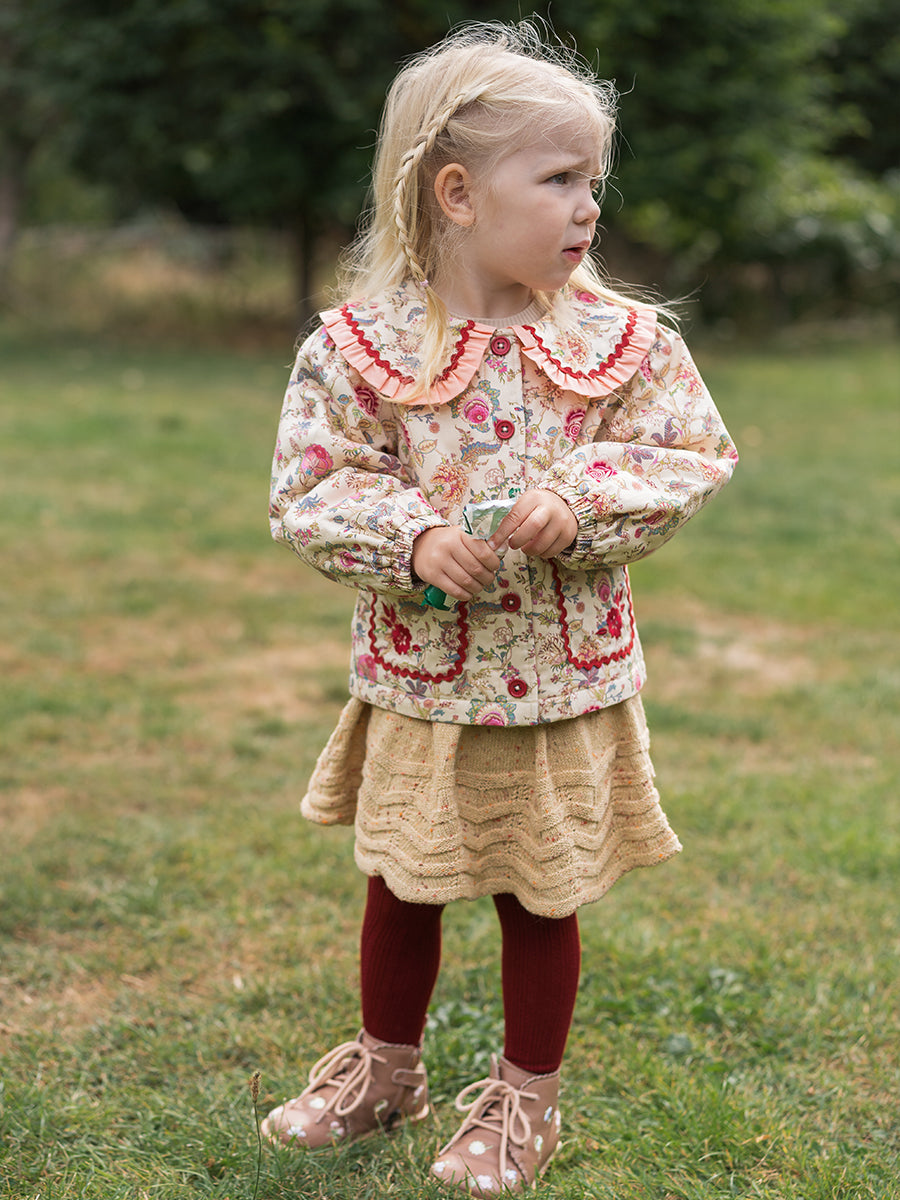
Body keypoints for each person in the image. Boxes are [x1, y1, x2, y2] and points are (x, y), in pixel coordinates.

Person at [263, 19, 737, 1195]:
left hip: (560, 682)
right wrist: (413, 538)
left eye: (594, 180)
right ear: (459, 194)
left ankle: (528, 1101)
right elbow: (314, 484)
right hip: (422, 680)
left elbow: (689, 453)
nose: (589, 206)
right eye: (560, 178)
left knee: (539, 891)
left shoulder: (622, 344)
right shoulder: (362, 349)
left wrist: (582, 501)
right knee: (401, 880)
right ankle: (386, 1071)